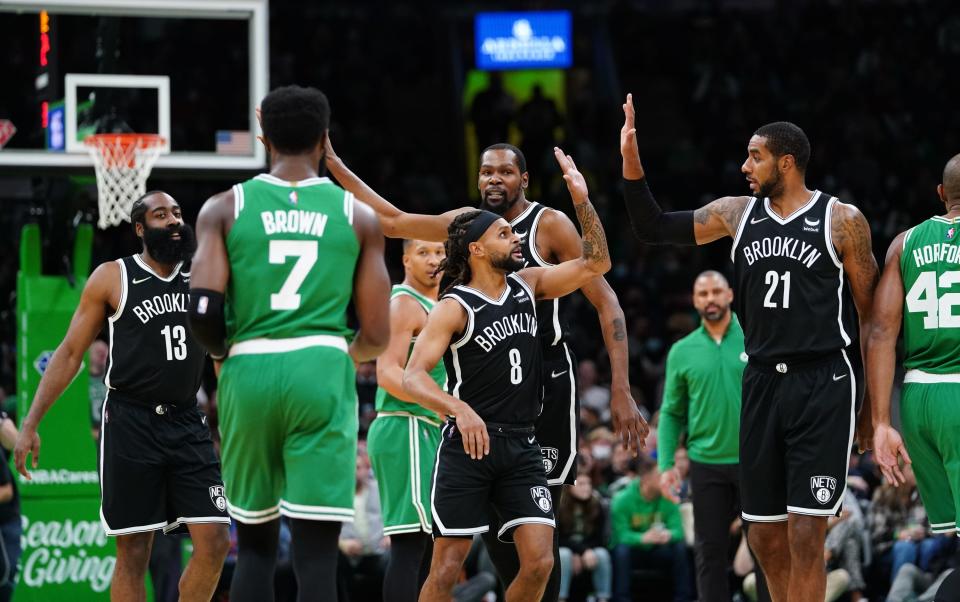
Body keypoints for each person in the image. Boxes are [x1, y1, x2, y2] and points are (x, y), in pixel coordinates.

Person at [327, 139, 647, 602]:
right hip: (478, 403)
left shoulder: (538, 253)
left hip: (543, 386)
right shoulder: (456, 274)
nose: (493, 179)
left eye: (504, 171)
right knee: (456, 558)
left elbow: (601, 278)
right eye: (486, 172)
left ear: (524, 179)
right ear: (474, 246)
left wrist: (581, 196)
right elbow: (393, 221)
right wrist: (334, 161)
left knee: (540, 546)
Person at [620, 93, 879, 602]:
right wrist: (631, 161)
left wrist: (872, 407)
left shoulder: (841, 220)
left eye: (754, 156)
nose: (744, 166)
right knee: (763, 534)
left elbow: (871, 319)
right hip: (760, 380)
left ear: (786, 161)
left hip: (823, 381)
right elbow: (653, 227)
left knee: (807, 534)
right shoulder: (736, 215)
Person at [188, 84, 391, 602]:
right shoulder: (359, 216)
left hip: (247, 369)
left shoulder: (222, 207)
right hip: (321, 366)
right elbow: (376, 334)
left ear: (263, 135)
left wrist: (221, 355)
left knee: (255, 548)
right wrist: (342, 356)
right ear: (326, 139)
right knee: (316, 556)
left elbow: (203, 310)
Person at [401, 148, 611, 602]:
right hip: (469, 446)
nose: (515, 238)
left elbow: (597, 264)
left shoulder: (530, 283)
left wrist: (582, 201)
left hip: (522, 444)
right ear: (476, 248)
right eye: (503, 234)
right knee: (446, 569)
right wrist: (459, 410)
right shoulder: (452, 307)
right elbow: (412, 377)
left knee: (539, 563)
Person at [13, 191, 231, 601]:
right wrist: (30, 423)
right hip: (131, 422)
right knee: (134, 552)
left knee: (216, 540)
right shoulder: (113, 277)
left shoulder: (203, 273)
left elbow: (221, 348)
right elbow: (70, 353)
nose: (172, 221)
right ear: (139, 228)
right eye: (161, 214)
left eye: (178, 213)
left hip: (187, 420)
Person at [869, 153, 960, 542]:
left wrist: (881, 423)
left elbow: (881, 334)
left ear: (941, 193)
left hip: (917, 401)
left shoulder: (904, 244)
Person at [658, 270, 758, 601]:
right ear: (694, 300)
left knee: (767, 546)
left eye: (716, 291)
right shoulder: (682, 351)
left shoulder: (756, 336)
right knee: (709, 551)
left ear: (730, 295)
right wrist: (666, 464)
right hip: (705, 463)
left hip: (755, 460)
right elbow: (672, 412)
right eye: (703, 294)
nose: (710, 299)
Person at [367, 237, 446, 601]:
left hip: (427, 427)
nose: (434, 260)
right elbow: (387, 373)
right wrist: (441, 405)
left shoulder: (440, 305)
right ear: (406, 260)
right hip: (406, 425)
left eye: (441, 253)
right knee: (410, 545)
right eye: (424, 253)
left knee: (432, 545)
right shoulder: (403, 304)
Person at [609, 458, 694, 602]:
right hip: (634, 551)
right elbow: (620, 536)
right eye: (660, 476)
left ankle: (683, 598)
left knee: (679, 548)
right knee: (621, 551)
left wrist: (668, 535)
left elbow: (678, 531)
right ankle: (622, 598)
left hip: (658, 549)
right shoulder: (622, 500)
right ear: (646, 479)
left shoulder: (669, 497)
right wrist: (643, 538)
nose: (666, 480)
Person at [556, 471, 611, 602]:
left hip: (589, 549)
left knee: (602, 554)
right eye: (581, 484)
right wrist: (580, 551)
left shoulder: (597, 505)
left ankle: (602, 597)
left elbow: (600, 538)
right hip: (566, 549)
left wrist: (584, 551)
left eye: (588, 483)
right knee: (564, 554)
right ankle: (560, 597)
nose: (586, 487)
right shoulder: (559, 506)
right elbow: (557, 538)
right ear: (569, 487)